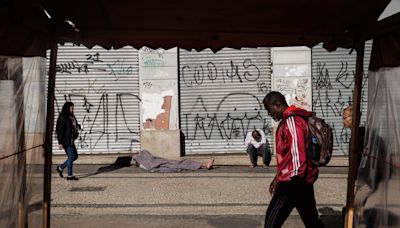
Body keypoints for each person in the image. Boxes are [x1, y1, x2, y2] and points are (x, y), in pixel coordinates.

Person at [263, 91, 324, 228]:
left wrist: (291, 184)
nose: (269, 113)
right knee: (312, 222)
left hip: (294, 181)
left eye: (269, 109)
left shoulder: (291, 121)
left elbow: (297, 153)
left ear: (277, 105)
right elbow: (287, 157)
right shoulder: (290, 120)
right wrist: (277, 178)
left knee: (271, 222)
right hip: (301, 179)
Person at [55, 102, 81, 180]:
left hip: (71, 140)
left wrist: (77, 127)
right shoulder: (63, 117)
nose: (73, 109)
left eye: (73, 108)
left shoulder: (71, 116)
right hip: (66, 141)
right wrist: (60, 142)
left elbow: (73, 126)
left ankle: (60, 167)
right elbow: (60, 130)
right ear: (67, 108)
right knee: (71, 157)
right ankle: (70, 176)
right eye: (72, 108)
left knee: (75, 156)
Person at [133, 150, 214, 173]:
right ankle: (204, 165)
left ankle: (204, 165)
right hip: (160, 165)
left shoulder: (142, 156)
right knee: (179, 165)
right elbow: (151, 165)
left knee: (179, 164)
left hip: (161, 162)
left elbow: (152, 160)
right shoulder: (143, 163)